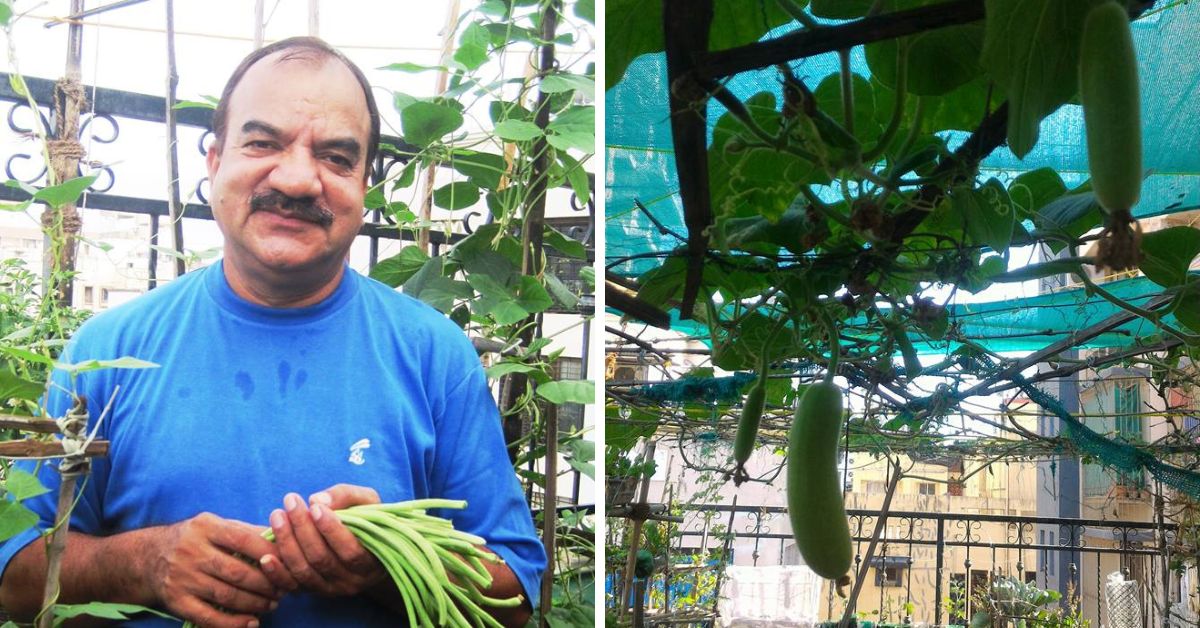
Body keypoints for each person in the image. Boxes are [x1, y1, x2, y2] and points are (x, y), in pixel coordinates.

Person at [0, 37, 545, 627]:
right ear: (215, 163)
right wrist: (142, 563)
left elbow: (515, 594)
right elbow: (13, 576)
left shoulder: (434, 355)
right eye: (263, 143)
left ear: (365, 186)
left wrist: (389, 565)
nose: (297, 179)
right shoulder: (107, 352)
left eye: (337, 157)